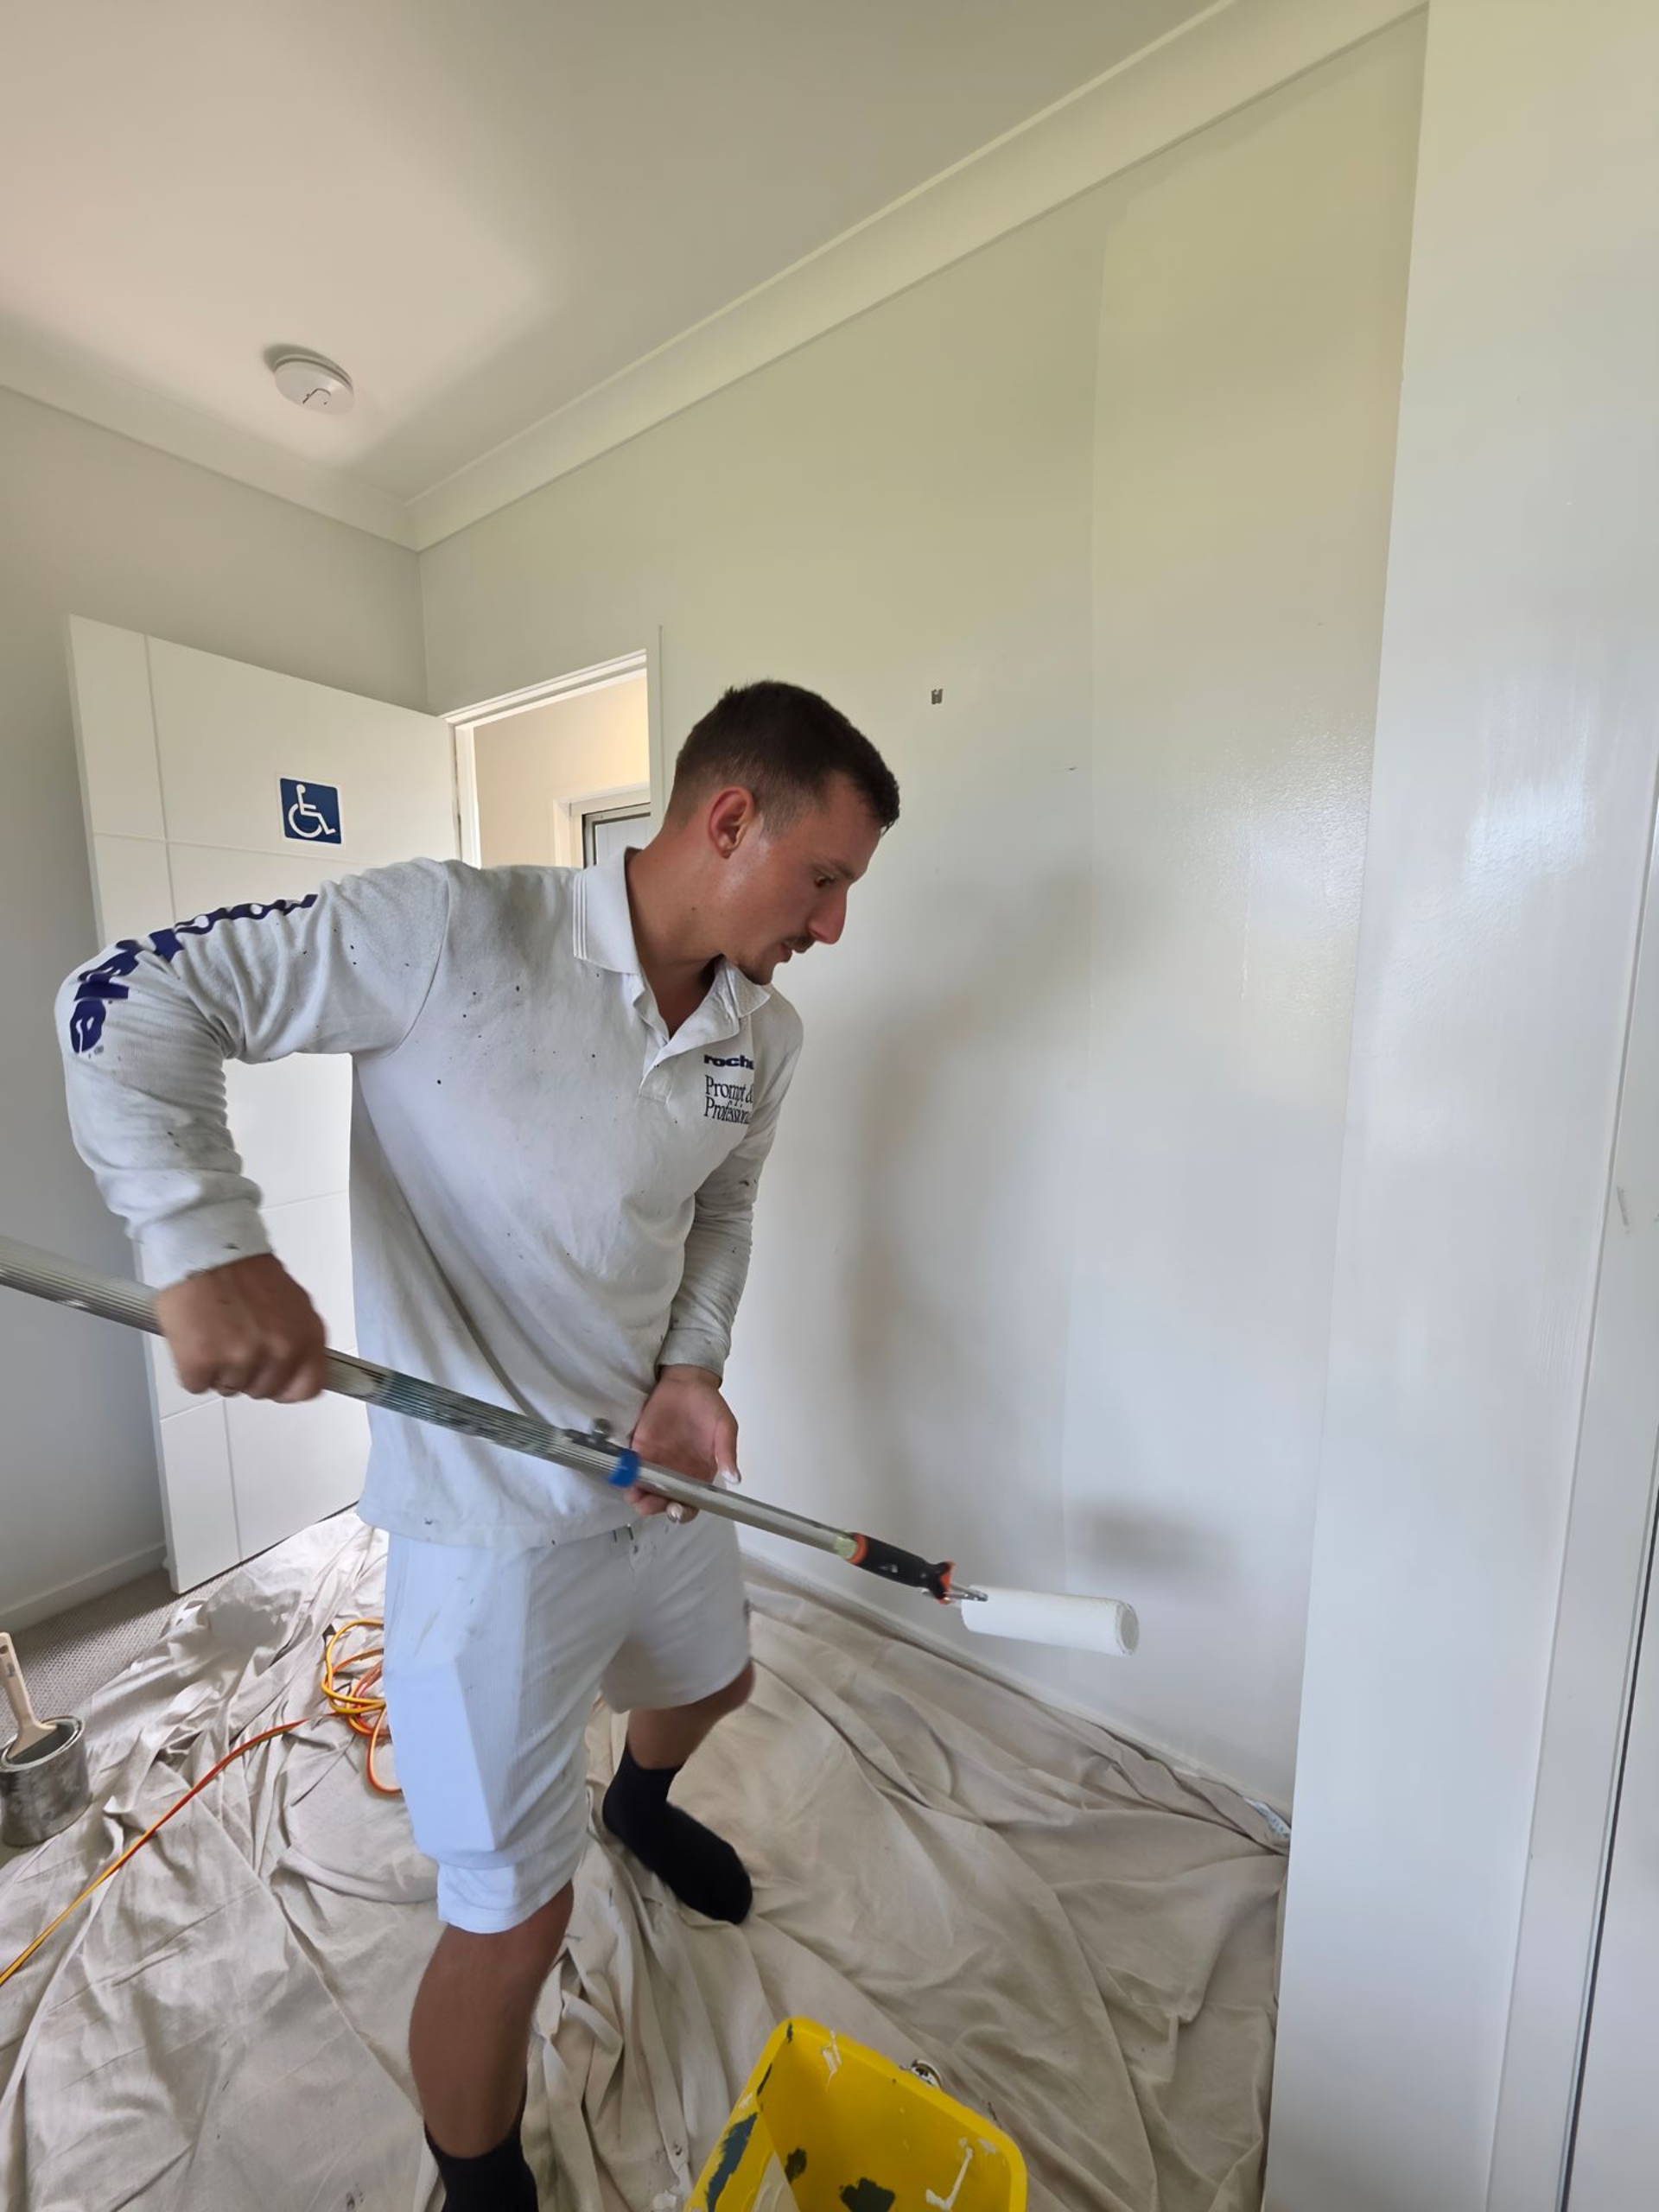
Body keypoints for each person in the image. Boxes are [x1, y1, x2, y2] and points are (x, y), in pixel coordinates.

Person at [55, 678, 899, 2211]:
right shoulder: (449, 934)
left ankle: (637, 1804)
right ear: (731, 820)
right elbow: (128, 994)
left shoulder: (756, 1040)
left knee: (715, 1680)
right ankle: (477, 2169)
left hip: (652, 1478)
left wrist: (693, 1366)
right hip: (491, 1516)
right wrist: (204, 1240)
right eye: (825, 878)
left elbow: (721, 1210)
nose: (833, 924)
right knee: (513, 1925)